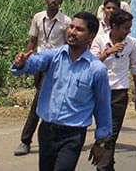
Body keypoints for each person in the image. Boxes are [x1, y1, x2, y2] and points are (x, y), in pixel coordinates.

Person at [12, 12, 112, 171]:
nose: (72, 32)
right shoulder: (55, 56)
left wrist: (100, 142)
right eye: (71, 27)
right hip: (47, 131)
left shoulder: (96, 69)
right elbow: (36, 62)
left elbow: (103, 108)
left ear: (91, 36)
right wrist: (22, 64)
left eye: (79, 29)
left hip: (72, 136)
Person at [16, 0, 74, 156]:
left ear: (61, 1)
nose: (53, 1)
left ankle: (25, 140)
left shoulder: (66, 21)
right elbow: (32, 42)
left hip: (55, 65)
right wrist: (24, 63)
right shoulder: (38, 18)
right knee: (46, 99)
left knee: (39, 99)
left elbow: (68, 46)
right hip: (39, 63)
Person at [90, 9, 136, 170]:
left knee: (112, 133)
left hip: (119, 92)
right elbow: (91, 63)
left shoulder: (132, 43)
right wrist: (109, 52)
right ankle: (108, 164)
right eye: (125, 28)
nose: (128, 31)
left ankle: (103, 167)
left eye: (129, 28)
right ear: (114, 26)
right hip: (100, 91)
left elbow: (135, 68)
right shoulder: (100, 41)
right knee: (103, 130)